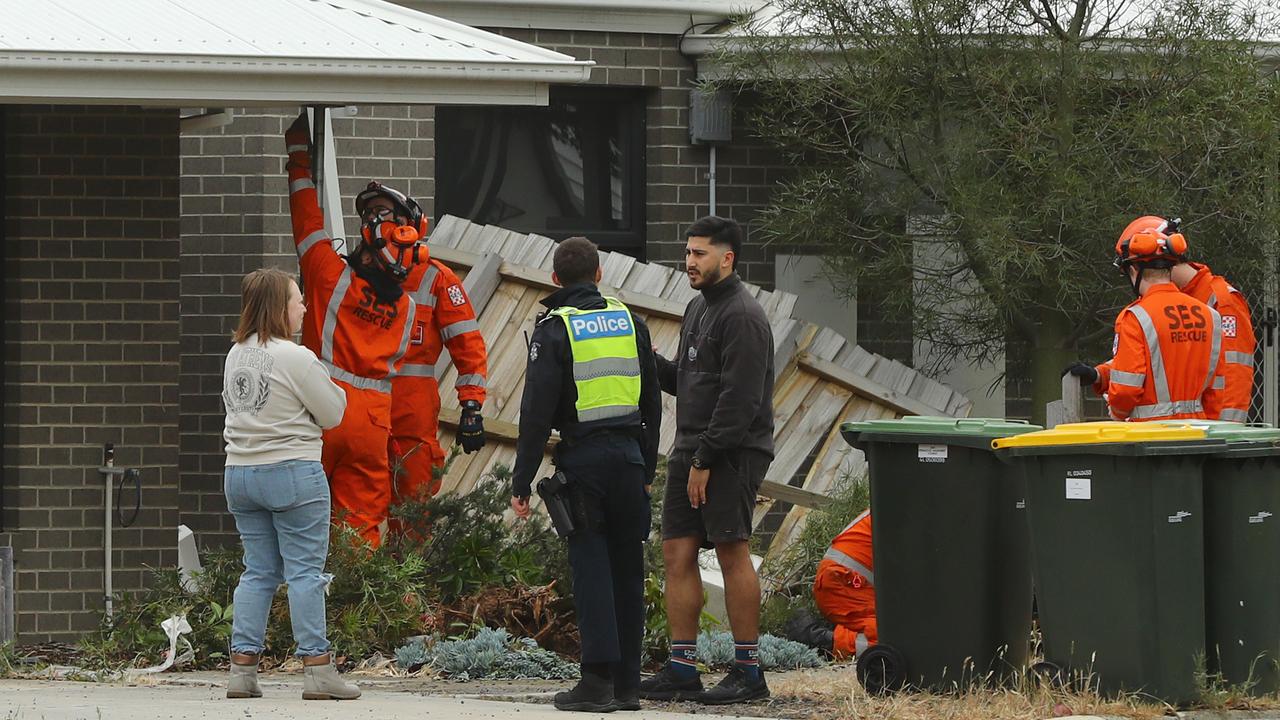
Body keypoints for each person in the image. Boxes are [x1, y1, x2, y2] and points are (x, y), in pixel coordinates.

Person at [284, 111, 459, 547]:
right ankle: (355, 607)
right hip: (373, 422)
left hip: (320, 411)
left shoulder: (328, 274)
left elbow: (306, 219)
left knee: (303, 524)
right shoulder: (404, 308)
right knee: (359, 529)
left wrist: (298, 159)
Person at [509, 236, 661, 713]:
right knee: (628, 572)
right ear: (598, 275)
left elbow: (536, 414)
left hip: (585, 463)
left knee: (592, 569)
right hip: (630, 461)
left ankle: (595, 684)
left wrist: (521, 483)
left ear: (555, 279)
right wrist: (648, 467)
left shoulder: (555, 330)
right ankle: (627, 687)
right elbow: (652, 400)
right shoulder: (630, 322)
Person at [641, 216, 775, 705]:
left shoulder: (742, 315)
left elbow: (740, 400)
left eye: (700, 254)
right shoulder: (698, 307)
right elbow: (691, 381)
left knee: (730, 550)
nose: (689, 261)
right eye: (688, 252)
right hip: (691, 450)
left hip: (731, 453)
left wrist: (706, 459)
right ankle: (681, 669)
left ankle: (748, 672)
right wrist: (651, 362)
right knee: (676, 553)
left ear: (727, 258)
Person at [222, 268, 360, 701]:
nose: (303, 307)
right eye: (298, 299)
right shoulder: (296, 356)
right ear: (280, 307)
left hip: (240, 473)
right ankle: (317, 670)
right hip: (292, 472)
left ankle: (241, 672)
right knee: (304, 572)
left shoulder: (235, 354)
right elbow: (334, 412)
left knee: (258, 571)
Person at [1065, 216, 1226, 421]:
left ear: (1133, 270)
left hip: (1150, 437)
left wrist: (1117, 413)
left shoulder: (1135, 317)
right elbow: (1215, 387)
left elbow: (1126, 389)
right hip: (1196, 434)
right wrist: (1099, 375)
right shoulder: (1209, 316)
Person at [387, 221, 489, 515]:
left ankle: (408, 563)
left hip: (411, 408)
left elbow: (467, 342)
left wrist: (471, 405)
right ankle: (351, 563)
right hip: (364, 405)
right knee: (356, 503)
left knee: (413, 500)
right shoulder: (358, 274)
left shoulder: (437, 278)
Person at [1157, 218, 1257, 422]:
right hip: (1185, 428)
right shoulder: (1173, 301)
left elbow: (1233, 373)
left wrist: (1223, 434)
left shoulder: (1222, 301)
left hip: (1212, 432)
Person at [806, 510, 876, 661]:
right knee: (902, 638)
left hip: (845, 581)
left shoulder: (903, 505)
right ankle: (824, 641)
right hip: (843, 583)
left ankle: (840, 632)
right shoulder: (909, 511)